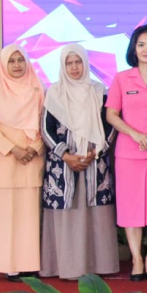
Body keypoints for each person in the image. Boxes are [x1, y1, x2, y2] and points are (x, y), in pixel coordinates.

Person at [39, 44, 119, 280]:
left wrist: (94, 153)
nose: (74, 68)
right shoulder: (54, 93)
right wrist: (66, 155)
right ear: (63, 66)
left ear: (85, 63)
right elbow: (46, 129)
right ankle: (67, 268)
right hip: (63, 167)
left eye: (78, 62)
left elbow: (109, 125)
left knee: (96, 216)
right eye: (69, 63)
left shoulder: (98, 91)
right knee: (69, 215)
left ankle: (99, 266)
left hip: (94, 164)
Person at [106, 25, 147, 282]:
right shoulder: (122, 78)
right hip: (128, 153)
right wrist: (134, 134)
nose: (146, 49)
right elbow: (111, 114)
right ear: (133, 48)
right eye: (141, 44)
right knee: (131, 208)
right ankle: (136, 259)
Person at [0, 44, 45, 281]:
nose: (17, 65)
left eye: (20, 60)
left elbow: (45, 123)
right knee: (6, 216)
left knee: (29, 216)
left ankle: (29, 264)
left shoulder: (37, 88)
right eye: (11, 61)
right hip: (5, 159)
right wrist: (13, 149)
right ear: (3, 64)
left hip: (31, 159)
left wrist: (35, 148)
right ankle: (10, 266)